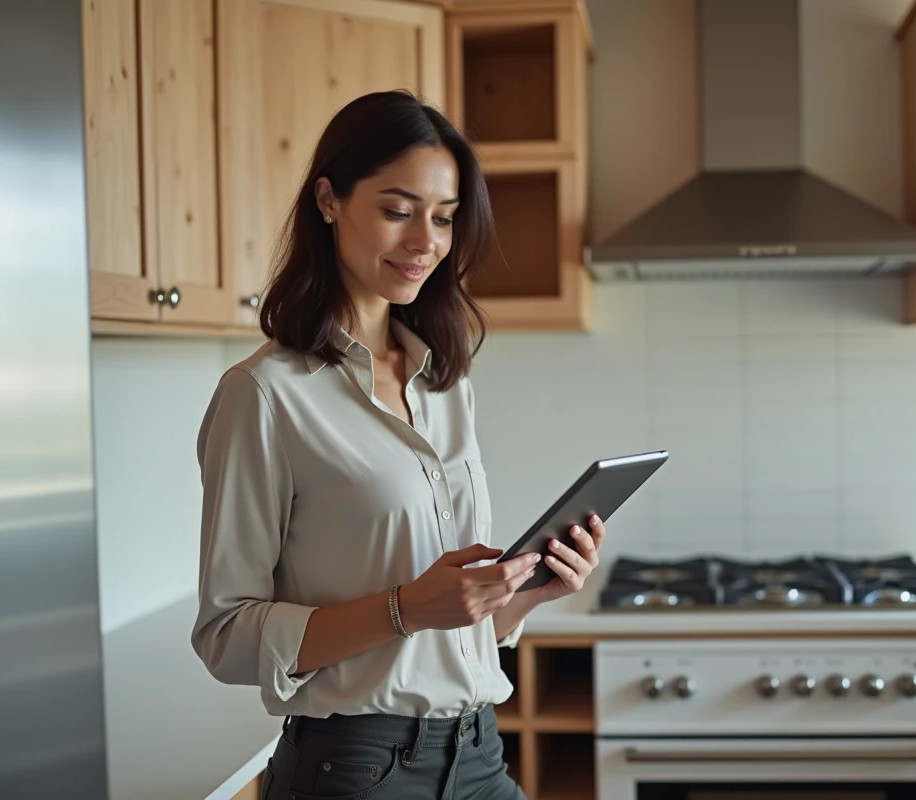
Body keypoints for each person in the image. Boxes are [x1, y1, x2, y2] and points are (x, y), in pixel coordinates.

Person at [190, 90, 605, 800]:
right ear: (329, 200)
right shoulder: (264, 395)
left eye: (443, 218)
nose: (425, 242)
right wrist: (404, 607)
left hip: (479, 756)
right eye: (398, 210)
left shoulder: (444, 381)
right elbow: (227, 638)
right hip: (356, 771)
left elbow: (452, 634)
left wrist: (527, 594)